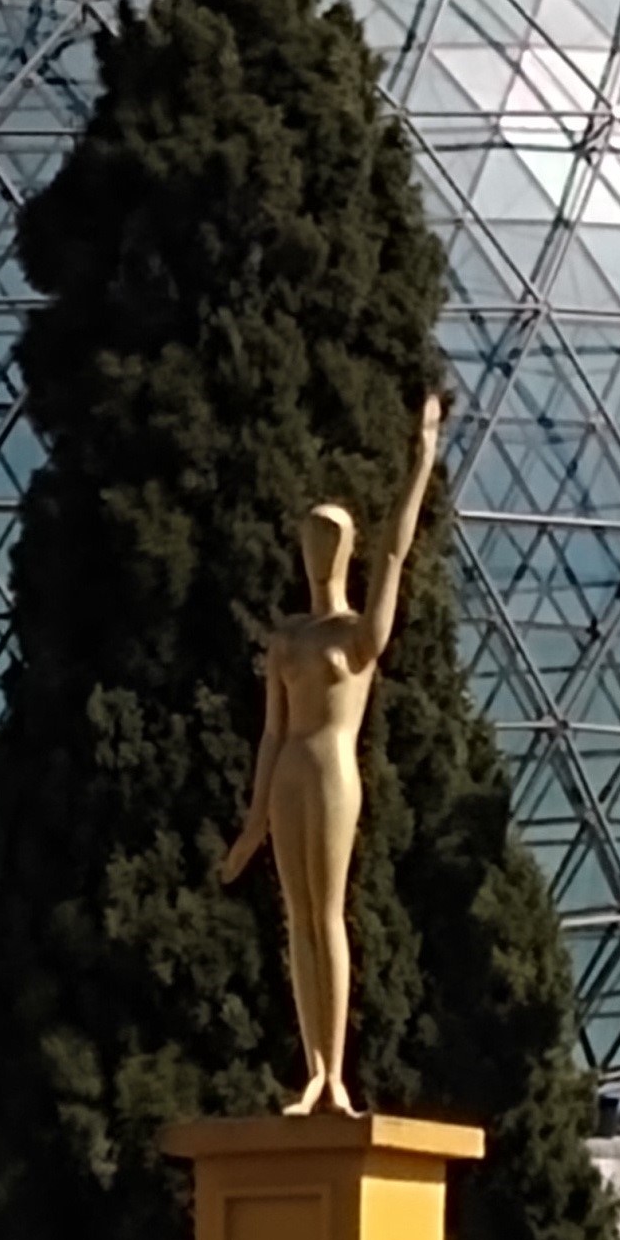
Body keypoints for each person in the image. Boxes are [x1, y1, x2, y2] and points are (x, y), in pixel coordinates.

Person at [221, 390, 445, 1116]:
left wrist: (422, 461)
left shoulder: (357, 636)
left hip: (333, 775)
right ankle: (310, 1067)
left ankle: (336, 1074)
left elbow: (394, 549)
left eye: (328, 535)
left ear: (343, 549)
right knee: (295, 916)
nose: (315, 546)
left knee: (326, 914)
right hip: (288, 775)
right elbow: (270, 733)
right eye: (308, 535)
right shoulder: (287, 637)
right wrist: (252, 822)